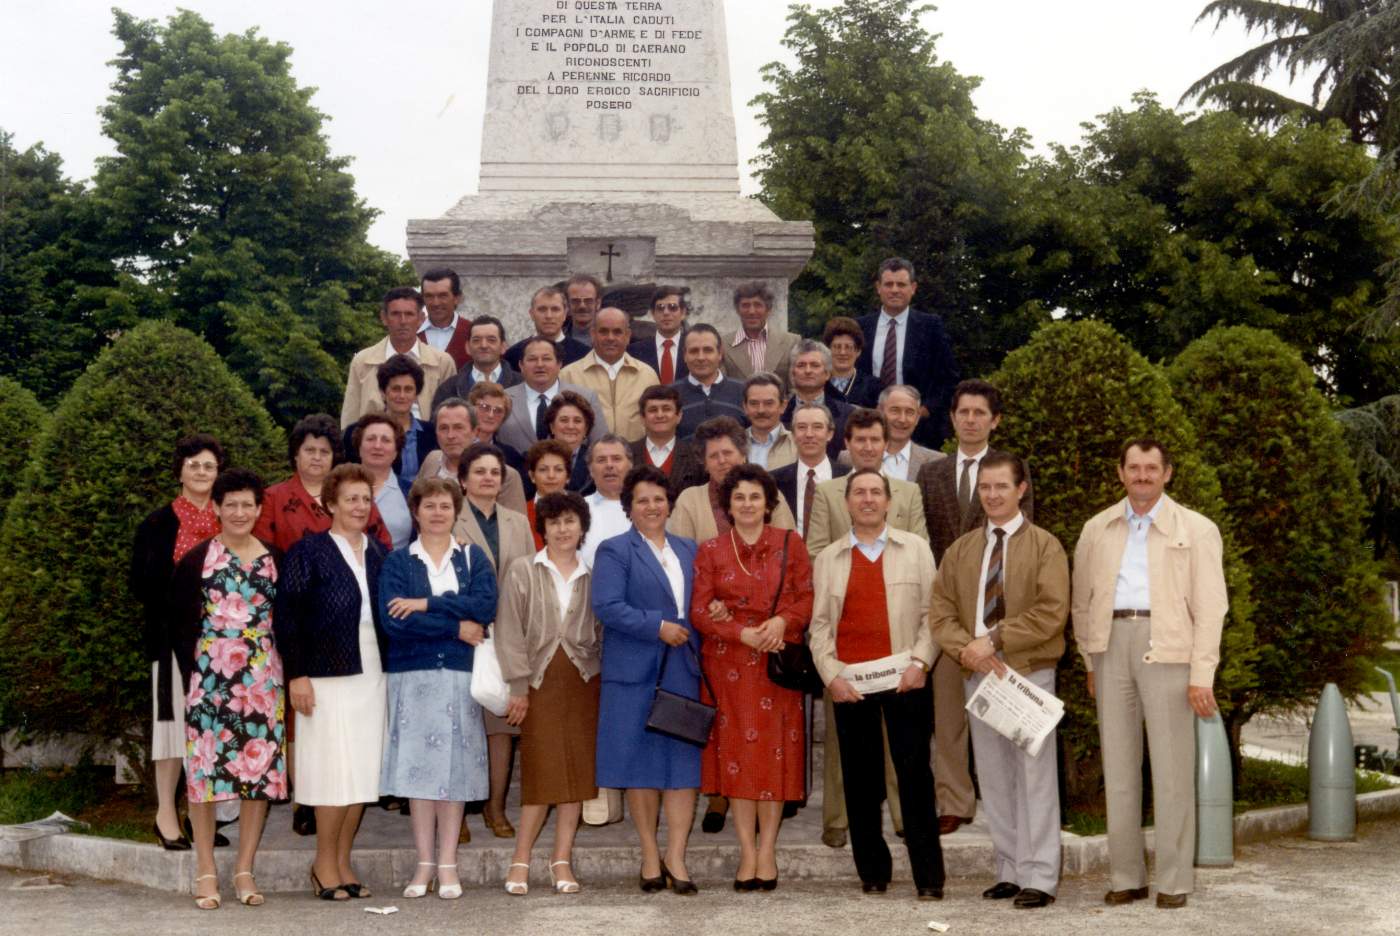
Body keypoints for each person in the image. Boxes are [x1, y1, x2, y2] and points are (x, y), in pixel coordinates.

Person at [1073, 439, 1228, 910]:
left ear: (1168, 474)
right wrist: (1089, 659)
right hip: (1111, 645)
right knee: (1118, 769)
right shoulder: (1097, 528)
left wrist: (1202, 673)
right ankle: (1126, 876)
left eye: (1151, 468)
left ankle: (1174, 882)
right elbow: (1083, 601)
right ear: (1120, 473)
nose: (1142, 476)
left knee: (1172, 770)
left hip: (1170, 650)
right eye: (1134, 468)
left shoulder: (1197, 529)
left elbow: (1211, 606)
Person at [928, 452, 1069, 909]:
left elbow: (1051, 612)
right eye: (985, 487)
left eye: (1001, 487)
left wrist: (996, 639)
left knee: (1035, 777)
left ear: (1021, 489)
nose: (991, 495)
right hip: (980, 676)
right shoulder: (964, 548)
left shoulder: (1045, 545)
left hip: (1028, 674)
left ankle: (1041, 877)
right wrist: (967, 649)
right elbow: (942, 611)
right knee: (993, 777)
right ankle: (1009, 868)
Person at [808, 469, 944, 900]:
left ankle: (929, 877)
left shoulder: (917, 549)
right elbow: (819, 628)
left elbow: (933, 614)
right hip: (852, 685)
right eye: (859, 493)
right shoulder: (828, 558)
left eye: (875, 493)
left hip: (907, 679)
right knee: (860, 781)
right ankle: (872, 870)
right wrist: (831, 676)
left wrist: (921, 662)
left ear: (889, 501)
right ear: (846, 502)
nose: (867, 499)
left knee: (915, 777)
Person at [916, 378, 1034, 833]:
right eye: (963, 412)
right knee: (947, 715)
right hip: (949, 614)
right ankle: (954, 799)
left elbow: (1023, 540)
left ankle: (1005, 796)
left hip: (996, 612)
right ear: (952, 417)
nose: (970, 420)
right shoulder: (932, 474)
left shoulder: (1011, 471)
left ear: (995, 420)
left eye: (979, 413)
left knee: (1001, 710)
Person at [690, 464, 813, 890]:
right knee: (739, 763)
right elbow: (700, 611)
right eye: (739, 497)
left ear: (769, 503)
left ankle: (768, 850)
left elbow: (805, 596)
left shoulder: (789, 543)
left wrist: (781, 624)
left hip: (776, 664)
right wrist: (739, 631)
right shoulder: (710, 550)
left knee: (776, 760)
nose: (747, 505)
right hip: (730, 668)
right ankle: (746, 851)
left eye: (755, 497)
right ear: (728, 505)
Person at [805, 408, 923, 849]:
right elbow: (816, 548)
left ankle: (901, 815)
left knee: (900, 744)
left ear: (885, 441)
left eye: (876, 439)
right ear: (848, 445)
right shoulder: (830, 492)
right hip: (844, 630)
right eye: (860, 440)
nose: (869, 447)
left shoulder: (907, 493)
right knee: (843, 743)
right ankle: (838, 819)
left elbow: (921, 550)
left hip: (897, 628)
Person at [273, 464, 389, 902]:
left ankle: (343, 861)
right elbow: (287, 618)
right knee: (329, 771)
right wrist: (297, 675)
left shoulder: (379, 553)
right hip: (323, 676)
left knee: (360, 773)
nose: (360, 506)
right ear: (331, 503)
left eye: (366, 498)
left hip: (373, 673)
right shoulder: (309, 552)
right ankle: (323, 863)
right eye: (351, 499)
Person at [168, 468, 283, 909]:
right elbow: (179, 625)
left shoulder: (275, 557)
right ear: (216, 508)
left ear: (258, 509)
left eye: (247, 504)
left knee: (259, 776)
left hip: (262, 682)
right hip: (210, 681)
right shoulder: (197, 559)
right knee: (205, 777)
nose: (239, 512)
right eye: (230, 504)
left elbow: (285, 622)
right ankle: (205, 869)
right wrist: (190, 680)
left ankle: (244, 869)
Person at [378, 478, 498, 900]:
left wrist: (427, 604)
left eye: (444, 506)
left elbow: (485, 607)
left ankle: (448, 862)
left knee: (454, 773)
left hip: (460, 679)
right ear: (416, 511)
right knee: (419, 775)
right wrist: (454, 626)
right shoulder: (398, 561)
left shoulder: (472, 557)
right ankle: (423, 862)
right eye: (428, 505)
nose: (436, 513)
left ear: (455, 511)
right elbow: (395, 622)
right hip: (413, 679)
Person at [591, 465, 702, 895]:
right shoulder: (614, 550)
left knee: (682, 767)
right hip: (635, 671)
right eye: (642, 500)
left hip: (683, 670)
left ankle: (677, 855)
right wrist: (657, 626)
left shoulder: (689, 548)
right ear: (629, 508)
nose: (652, 507)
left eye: (659, 499)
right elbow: (607, 606)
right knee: (640, 767)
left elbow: (702, 599)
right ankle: (649, 855)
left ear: (669, 503)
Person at [494, 491, 601, 896]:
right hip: (537, 684)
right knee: (540, 773)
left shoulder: (592, 574)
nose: (562, 529)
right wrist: (518, 686)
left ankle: (562, 860)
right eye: (554, 522)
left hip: (581, 683)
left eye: (570, 521)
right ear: (543, 529)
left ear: (582, 528)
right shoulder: (523, 570)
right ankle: (520, 859)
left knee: (575, 774)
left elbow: (601, 632)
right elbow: (508, 631)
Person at [130, 434, 227, 852]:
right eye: (194, 464)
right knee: (171, 730)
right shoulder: (157, 524)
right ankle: (165, 815)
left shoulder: (230, 520)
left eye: (208, 466)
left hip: (220, 645)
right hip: (172, 642)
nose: (201, 472)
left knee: (209, 730)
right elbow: (141, 584)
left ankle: (199, 816)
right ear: (180, 471)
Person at [454, 442, 535, 839]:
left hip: (509, 633)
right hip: (464, 634)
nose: (488, 478)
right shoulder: (448, 519)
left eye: (494, 472)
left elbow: (532, 579)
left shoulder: (517, 522)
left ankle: (496, 807)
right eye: (479, 471)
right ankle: (459, 813)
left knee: (502, 726)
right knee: (463, 723)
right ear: (463, 479)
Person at [855, 257, 959, 448]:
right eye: (889, 284)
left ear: (913, 288)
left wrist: (925, 410)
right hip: (869, 426)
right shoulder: (860, 327)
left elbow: (948, 378)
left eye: (901, 284)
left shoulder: (931, 327)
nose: (895, 290)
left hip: (919, 430)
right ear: (878, 287)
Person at [254, 414, 392, 554]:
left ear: (334, 457)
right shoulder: (272, 498)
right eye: (310, 450)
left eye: (324, 452)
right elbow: (261, 554)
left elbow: (383, 546)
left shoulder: (357, 493)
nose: (317, 458)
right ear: (296, 454)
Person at [341, 286, 456, 429]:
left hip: (427, 446)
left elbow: (452, 416)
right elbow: (350, 416)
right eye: (395, 314)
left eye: (409, 314)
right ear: (384, 318)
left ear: (421, 319)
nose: (403, 321)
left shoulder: (442, 363)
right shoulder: (363, 361)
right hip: (374, 446)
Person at [668, 416, 795, 544]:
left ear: (743, 454)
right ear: (705, 464)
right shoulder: (690, 500)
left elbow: (787, 547)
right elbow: (680, 554)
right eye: (713, 456)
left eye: (727, 453)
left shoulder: (769, 493)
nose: (722, 461)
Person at [560, 307, 659, 442]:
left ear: (628, 336)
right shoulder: (568, 375)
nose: (610, 338)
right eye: (603, 331)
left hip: (635, 460)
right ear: (593, 334)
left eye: (617, 332)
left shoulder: (647, 375)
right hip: (587, 460)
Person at [497, 337, 609, 455]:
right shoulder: (503, 399)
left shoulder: (586, 397)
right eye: (532, 359)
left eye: (546, 359)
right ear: (521, 365)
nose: (540, 365)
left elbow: (600, 444)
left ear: (559, 364)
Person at [416, 395, 528, 514]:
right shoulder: (432, 459)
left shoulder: (505, 476)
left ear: (475, 432)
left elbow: (515, 528)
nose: (450, 435)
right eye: (443, 428)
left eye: (458, 428)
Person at [342, 355, 437, 488]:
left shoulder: (432, 433)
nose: (402, 396)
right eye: (396, 389)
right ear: (383, 392)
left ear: (416, 394)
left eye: (408, 389)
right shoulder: (358, 433)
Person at [772, 403, 848, 540]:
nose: (809, 434)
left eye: (817, 427)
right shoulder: (774, 482)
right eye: (801, 427)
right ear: (793, 434)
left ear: (830, 434)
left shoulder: (849, 477)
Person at [839, 385, 942, 482]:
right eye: (895, 411)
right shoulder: (847, 458)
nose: (902, 419)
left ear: (917, 418)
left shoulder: (935, 462)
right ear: (880, 411)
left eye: (909, 412)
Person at [721, 281, 799, 395]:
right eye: (745, 305)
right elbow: (723, 389)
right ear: (737, 310)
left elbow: (795, 388)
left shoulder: (791, 342)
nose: (751, 311)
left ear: (768, 309)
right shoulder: (723, 344)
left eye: (758, 305)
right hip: (737, 411)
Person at [629, 385, 707, 496]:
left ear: (679, 416)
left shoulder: (696, 457)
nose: (660, 415)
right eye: (653, 410)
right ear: (642, 418)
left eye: (666, 409)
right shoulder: (628, 454)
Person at [431, 316, 523, 410]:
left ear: (503, 347)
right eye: (476, 340)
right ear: (467, 347)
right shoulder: (449, 388)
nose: (483, 345)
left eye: (491, 340)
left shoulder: (522, 384)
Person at [780, 340, 852, 458]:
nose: (808, 371)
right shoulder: (779, 416)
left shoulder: (848, 415)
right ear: (792, 373)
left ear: (827, 373)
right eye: (801, 365)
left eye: (815, 365)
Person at [351, 414, 413, 550]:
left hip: (396, 569)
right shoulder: (337, 488)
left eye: (386, 440)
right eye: (371, 439)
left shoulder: (412, 493)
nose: (377, 446)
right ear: (359, 447)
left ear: (396, 451)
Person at [674, 325, 747, 439]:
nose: (701, 357)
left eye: (708, 350)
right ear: (684, 356)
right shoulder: (671, 394)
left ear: (720, 354)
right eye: (694, 351)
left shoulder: (743, 391)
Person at [502, 285, 590, 370]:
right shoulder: (513, 355)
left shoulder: (584, 355)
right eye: (542, 309)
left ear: (565, 314)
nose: (549, 316)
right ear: (532, 314)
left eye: (555, 309)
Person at [579, 435, 634, 568]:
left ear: (630, 465)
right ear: (591, 470)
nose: (609, 465)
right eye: (601, 460)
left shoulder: (647, 508)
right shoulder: (577, 509)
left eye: (616, 459)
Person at [628, 286, 689, 384]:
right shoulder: (634, 352)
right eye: (660, 308)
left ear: (683, 313)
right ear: (653, 313)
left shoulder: (693, 349)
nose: (666, 312)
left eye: (672, 307)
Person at [543, 390, 598, 496]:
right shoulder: (534, 459)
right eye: (564, 420)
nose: (570, 426)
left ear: (586, 428)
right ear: (552, 427)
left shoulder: (595, 461)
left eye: (577, 421)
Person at [417, 268, 473, 370]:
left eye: (443, 296)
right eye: (429, 296)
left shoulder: (473, 334)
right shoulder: (411, 335)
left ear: (457, 298)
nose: (436, 303)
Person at [523, 439, 573, 548]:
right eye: (543, 470)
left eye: (558, 470)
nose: (551, 476)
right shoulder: (521, 513)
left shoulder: (583, 511)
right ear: (532, 476)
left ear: (568, 476)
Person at [822, 316, 880, 408]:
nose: (842, 352)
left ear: (858, 351)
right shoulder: (819, 383)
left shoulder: (873, 387)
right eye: (837, 346)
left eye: (848, 347)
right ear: (828, 349)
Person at [741, 373, 795, 471]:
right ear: (745, 407)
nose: (761, 410)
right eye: (754, 403)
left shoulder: (798, 445)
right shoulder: (734, 444)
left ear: (783, 406)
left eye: (769, 403)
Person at [564, 273, 603, 346]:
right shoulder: (557, 340)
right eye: (575, 301)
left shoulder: (611, 339)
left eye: (588, 301)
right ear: (567, 305)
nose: (582, 306)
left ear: (598, 303)